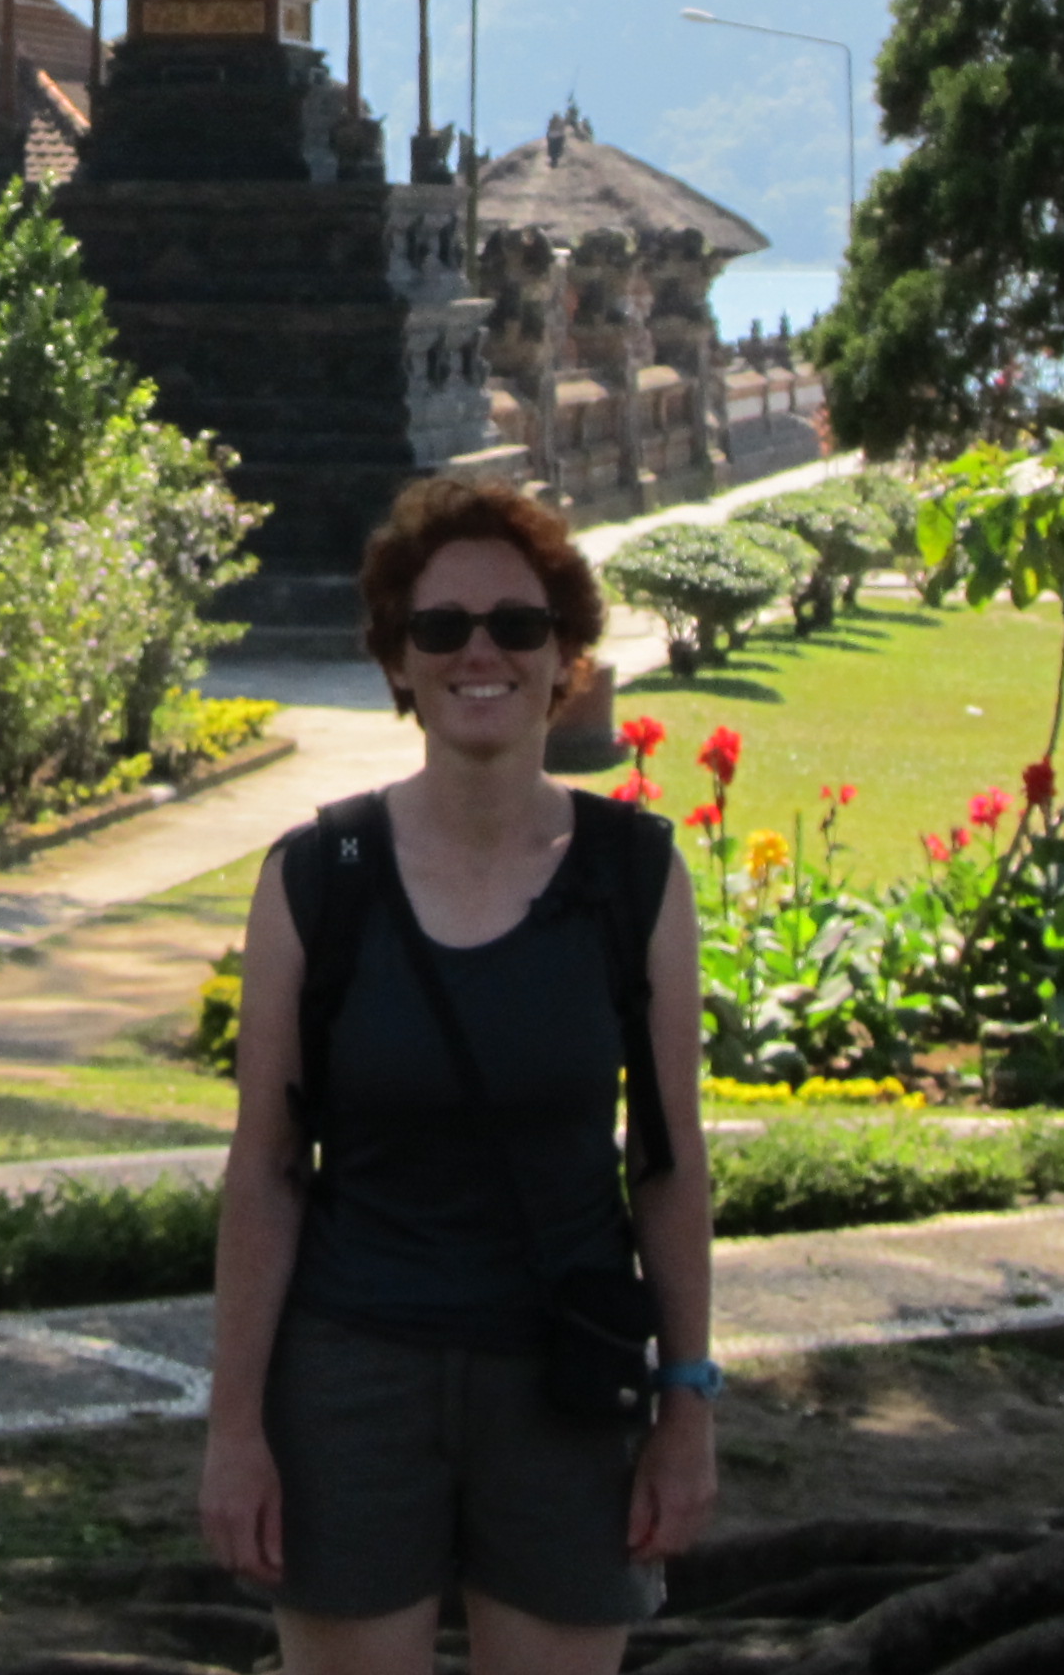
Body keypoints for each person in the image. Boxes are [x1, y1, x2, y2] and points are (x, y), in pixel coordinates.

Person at [203, 476, 717, 1675]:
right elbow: (265, 1170)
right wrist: (234, 1429)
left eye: (516, 625)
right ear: (398, 660)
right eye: (440, 628)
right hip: (350, 1378)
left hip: (564, 1381)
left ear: (564, 657)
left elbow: (667, 1164)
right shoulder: (317, 873)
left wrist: (686, 1407)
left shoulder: (632, 874)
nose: (478, 653)